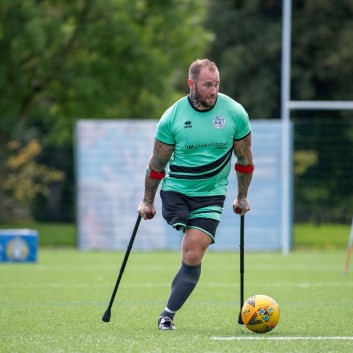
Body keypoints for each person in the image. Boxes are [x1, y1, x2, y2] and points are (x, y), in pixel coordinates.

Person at [137, 58, 254, 330]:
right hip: (177, 192)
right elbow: (157, 165)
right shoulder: (173, 117)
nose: (213, 91)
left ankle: (167, 315)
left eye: (217, 85)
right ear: (192, 84)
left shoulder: (235, 113)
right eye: (207, 85)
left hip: (212, 195)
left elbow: (244, 160)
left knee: (192, 254)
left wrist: (242, 196)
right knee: (186, 237)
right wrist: (147, 200)